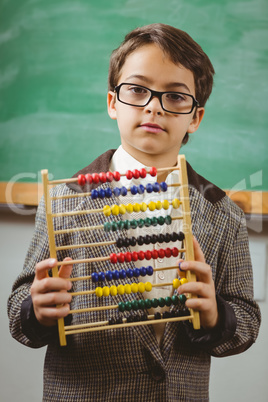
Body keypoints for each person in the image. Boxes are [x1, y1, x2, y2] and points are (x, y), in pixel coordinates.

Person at [8, 23, 261, 401]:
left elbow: (246, 320)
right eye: (138, 90)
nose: (153, 106)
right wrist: (36, 310)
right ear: (113, 103)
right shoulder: (64, 199)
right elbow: (19, 311)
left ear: (196, 117)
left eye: (175, 97)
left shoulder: (221, 211)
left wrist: (215, 315)